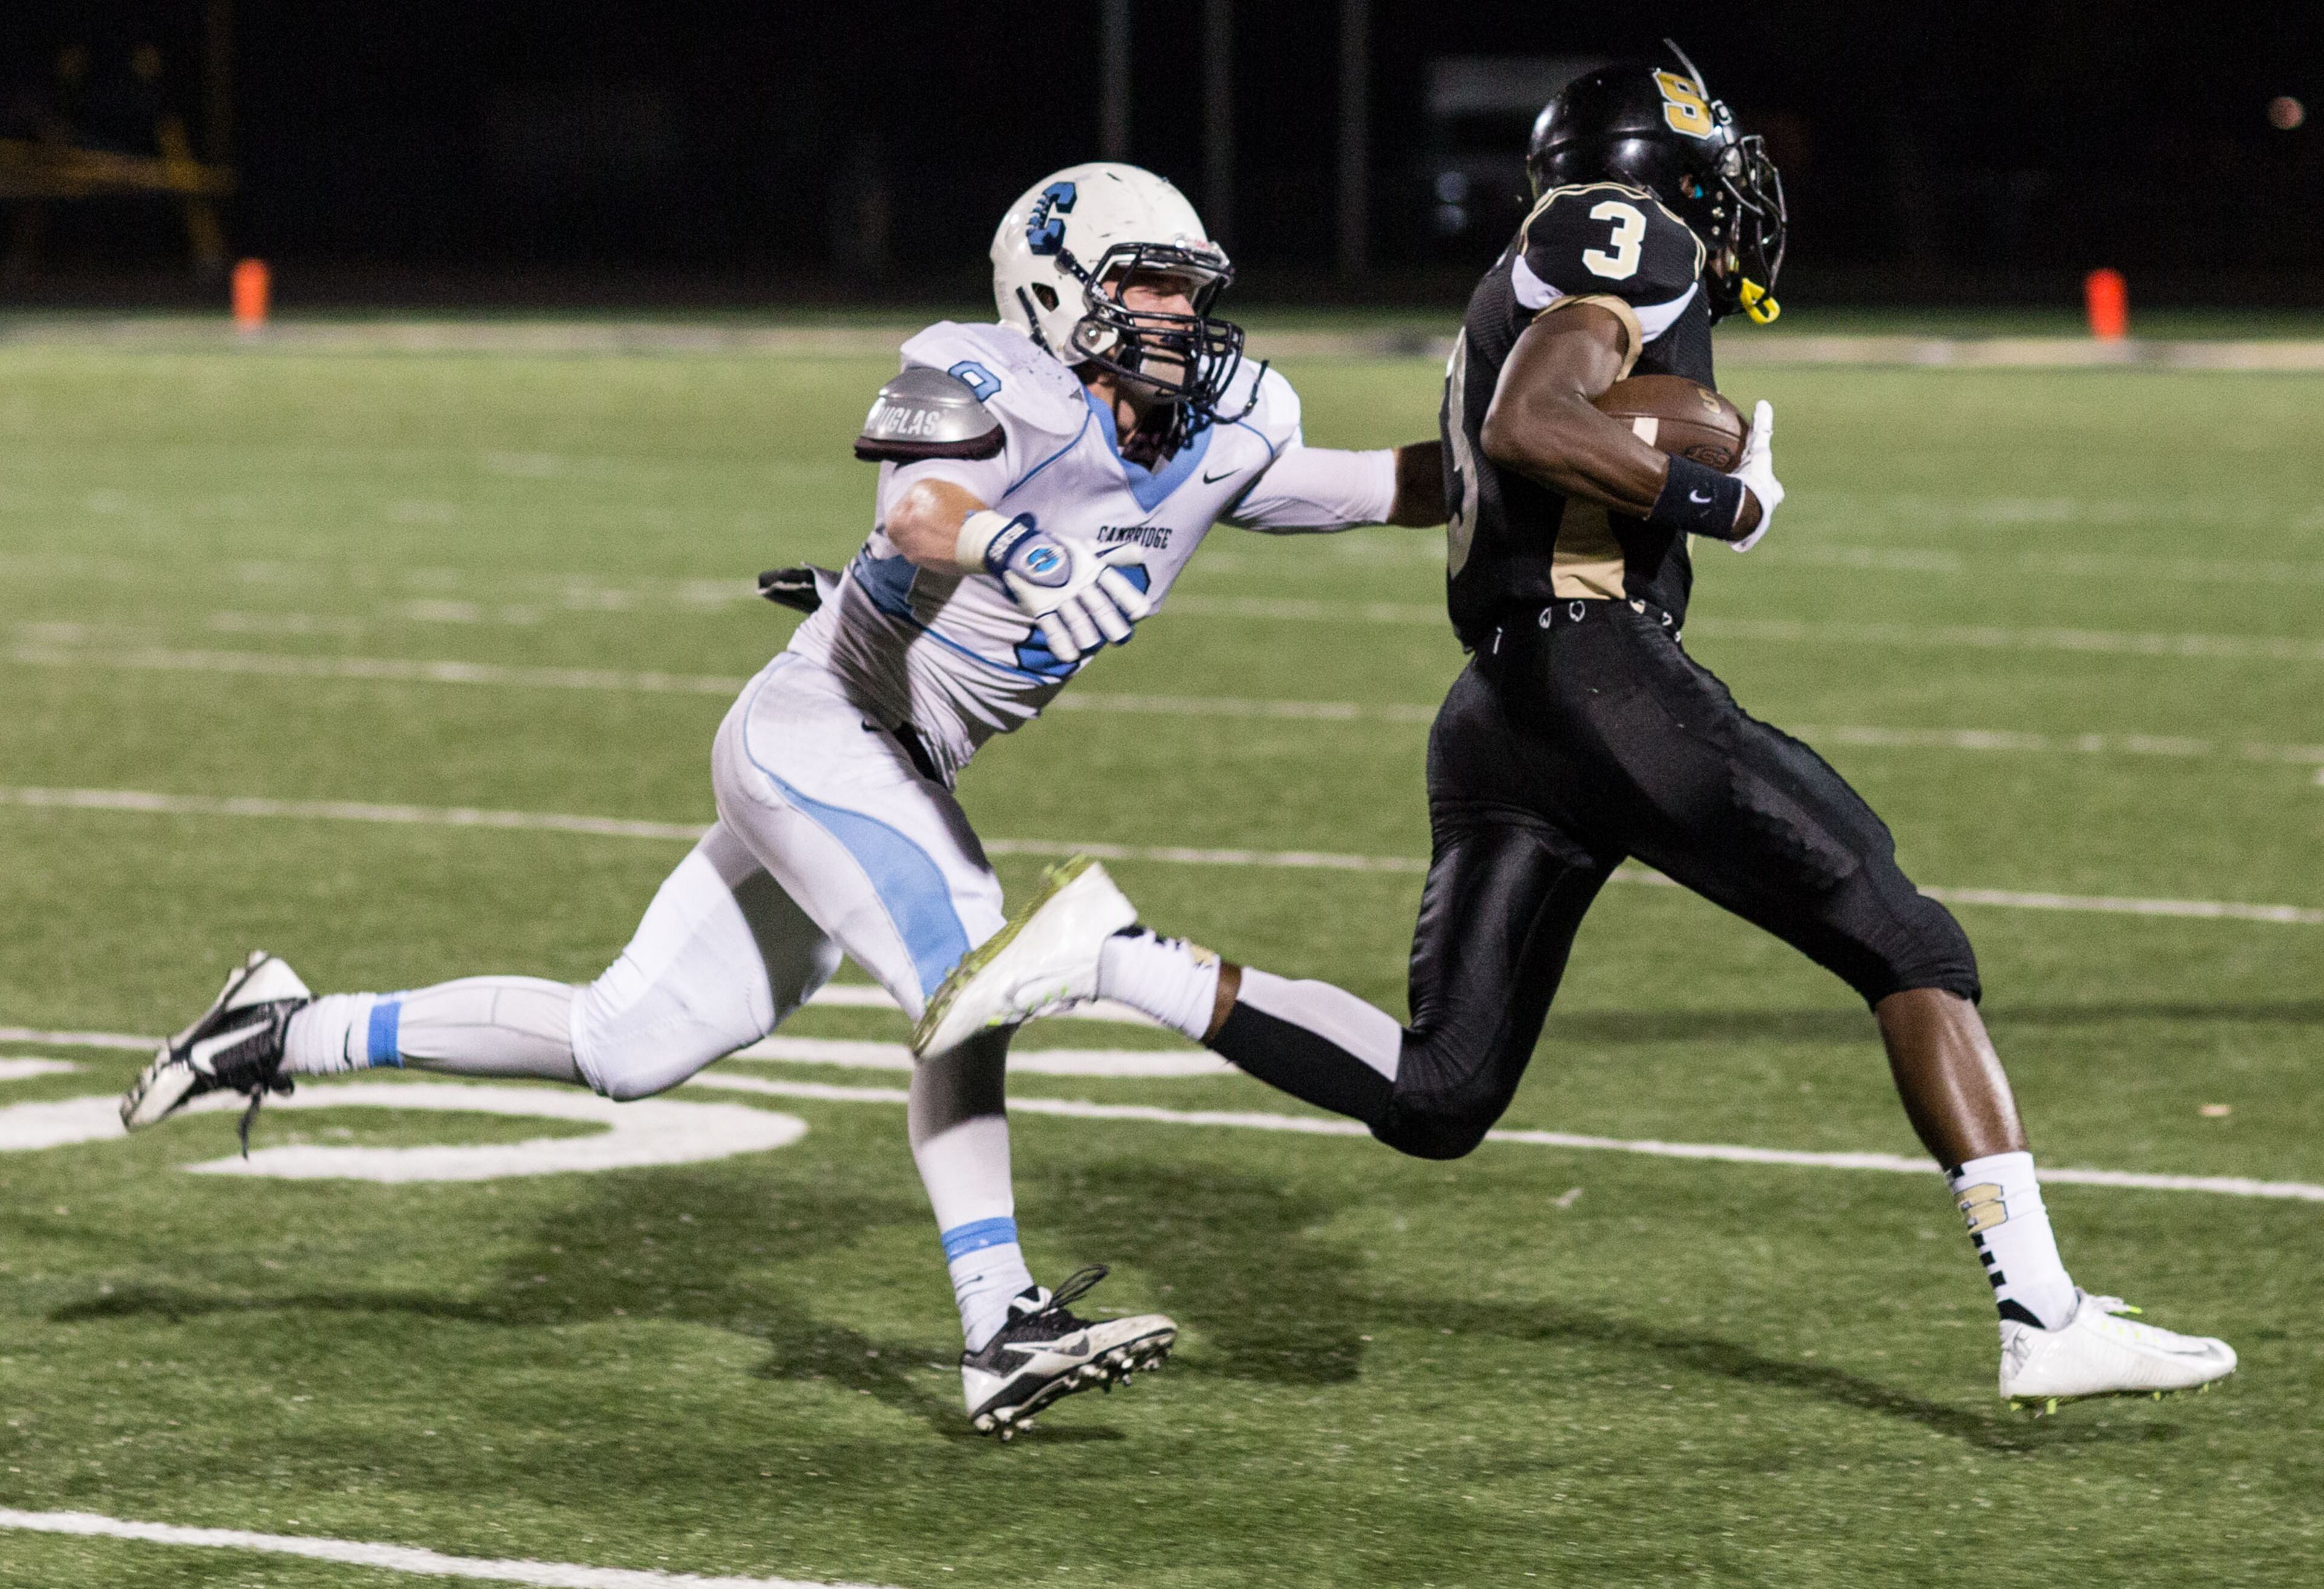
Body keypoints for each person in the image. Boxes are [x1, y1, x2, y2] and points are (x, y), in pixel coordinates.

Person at [914, 61, 2237, 1414]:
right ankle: (2043, 1313)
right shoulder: (1623, 232)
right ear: (1652, 170)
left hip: (1503, 711)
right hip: (1597, 671)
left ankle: (1117, 957)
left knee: (1442, 1091)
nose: (1726, 195)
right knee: (1909, 941)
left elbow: (1480, 448)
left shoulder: (1533, 273)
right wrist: (1717, 499)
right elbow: (1529, 423)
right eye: (1708, 166)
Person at [119, 162, 1446, 1439]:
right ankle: (1001, 1318)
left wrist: (1517, 451)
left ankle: (287, 1028)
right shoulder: (990, 377)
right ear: (1054, 291)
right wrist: (1021, 550)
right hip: (819, 732)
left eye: (1189, 289)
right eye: (1148, 286)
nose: (1179, 315)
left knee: (626, 1042)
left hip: (891, 767)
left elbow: (1386, 487)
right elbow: (924, 510)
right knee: (974, 962)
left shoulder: (1222, 430)